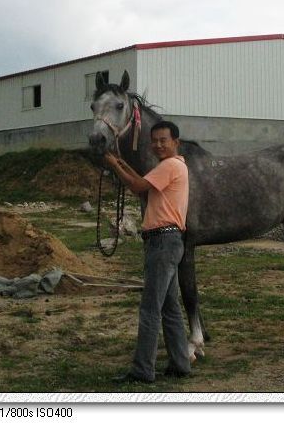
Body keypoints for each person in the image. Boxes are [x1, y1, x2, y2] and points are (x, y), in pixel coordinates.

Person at [104, 120, 192, 383]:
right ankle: (180, 363)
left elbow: (138, 187)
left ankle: (143, 370)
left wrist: (112, 165)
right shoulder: (176, 166)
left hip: (162, 243)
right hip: (171, 241)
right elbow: (143, 181)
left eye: (164, 140)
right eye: (154, 140)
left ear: (176, 142)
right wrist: (120, 162)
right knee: (170, 307)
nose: (158, 145)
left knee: (150, 308)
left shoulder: (169, 166)